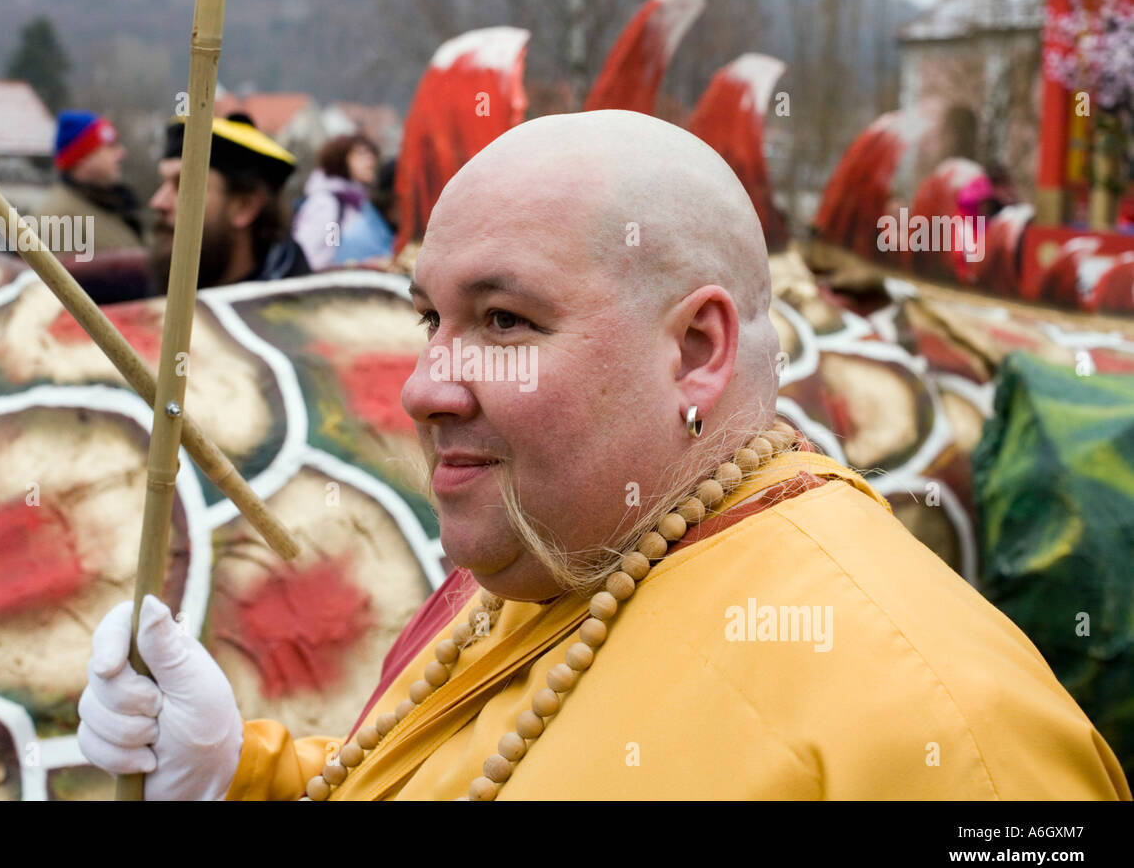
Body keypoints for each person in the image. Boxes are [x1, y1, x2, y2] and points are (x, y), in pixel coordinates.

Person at [78, 110, 1131, 801]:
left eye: (503, 319)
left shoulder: (948, 736)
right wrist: (240, 772)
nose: (423, 384)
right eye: (428, 317)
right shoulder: (561, 552)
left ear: (694, 350)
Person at [149, 113, 310, 291]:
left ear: (244, 207)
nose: (158, 202)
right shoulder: (141, 293)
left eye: (184, 186)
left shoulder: (305, 312)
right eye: (163, 183)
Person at [39, 111, 144, 252]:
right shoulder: (58, 220)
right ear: (82, 158)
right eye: (110, 146)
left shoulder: (109, 203)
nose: (121, 153)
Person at [292, 133, 394, 270]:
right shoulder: (329, 203)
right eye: (360, 154)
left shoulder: (352, 201)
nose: (370, 160)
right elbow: (317, 253)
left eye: (371, 154)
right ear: (340, 159)